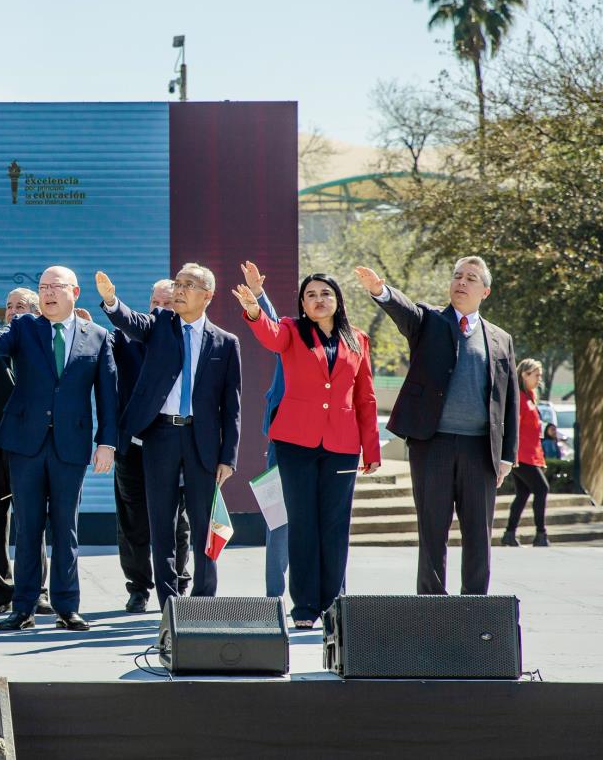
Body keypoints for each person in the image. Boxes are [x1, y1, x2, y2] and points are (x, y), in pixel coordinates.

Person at [0, 267, 118, 632]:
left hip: (71, 446)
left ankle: (67, 606)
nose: (47, 293)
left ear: (74, 292)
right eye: (43, 287)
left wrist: (107, 442)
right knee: (28, 527)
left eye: (55, 287)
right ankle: (24, 607)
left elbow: (108, 396)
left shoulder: (97, 336)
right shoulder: (24, 328)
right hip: (25, 444)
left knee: (67, 529)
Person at [356, 258, 518, 595]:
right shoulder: (430, 321)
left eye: (471, 278)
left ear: (484, 291)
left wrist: (507, 456)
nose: (461, 282)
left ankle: (476, 606)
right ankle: (431, 607)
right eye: (457, 275)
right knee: (432, 532)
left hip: (480, 451)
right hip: (433, 445)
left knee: (478, 534)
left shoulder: (500, 339)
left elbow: (509, 400)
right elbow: (405, 311)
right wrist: (380, 290)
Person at [233, 269, 379, 628]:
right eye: (310, 294)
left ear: (337, 300)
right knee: (301, 524)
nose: (318, 299)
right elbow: (269, 336)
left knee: (334, 526)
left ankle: (334, 605)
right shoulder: (292, 331)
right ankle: (304, 609)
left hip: (343, 445)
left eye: (325, 293)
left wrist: (371, 450)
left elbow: (365, 397)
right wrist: (254, 309)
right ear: (302, 303)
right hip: (295, 442)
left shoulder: (357, 339)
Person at [97, 263, 242, 613]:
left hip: (202, 442)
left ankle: (204, 602)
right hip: (160, 436)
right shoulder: (160, 326)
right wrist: (112, 301)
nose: (179, 290)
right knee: (161, 524)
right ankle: (170, 607)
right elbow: (130, 321)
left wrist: (228, 457)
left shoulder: (226, 342)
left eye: (188, 285)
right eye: (177, 283)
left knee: (204, 526)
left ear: (207, 295)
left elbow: (232, 406)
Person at [112, 278, 195, 612]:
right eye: (154, 302)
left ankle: (179, 581)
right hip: (131, 444)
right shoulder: (125, 339)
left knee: (178, 518)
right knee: (131, 518)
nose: (160, 309)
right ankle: (139, 586)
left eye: (168, 303)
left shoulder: (186, 341)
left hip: (174, 444)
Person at [0, 288, 51, 616]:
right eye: (9, 306)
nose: (13, 311)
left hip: (30, 444)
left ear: (36, 311)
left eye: (21, 306)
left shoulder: (44, 339)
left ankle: (37, 589)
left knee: (31, 520)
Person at [240, 263, 290, 602]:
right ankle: (274, 598)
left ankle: (332, 600)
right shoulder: (293, 335)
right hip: (281, 444)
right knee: (278, 523)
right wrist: (258, 294)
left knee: (322, 530)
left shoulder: (341, 340)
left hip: (323, 447)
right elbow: (272, 327)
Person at [503, 359, 551, 547]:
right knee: (542, 488)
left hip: (529, 454)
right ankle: (541, 533)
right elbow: (513, 427)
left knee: (522, 494)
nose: (539, 379)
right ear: (524, 374)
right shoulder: (519, 399)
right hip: (521, 455)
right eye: (536, 375)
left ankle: (509, 534)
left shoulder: (529, 397)